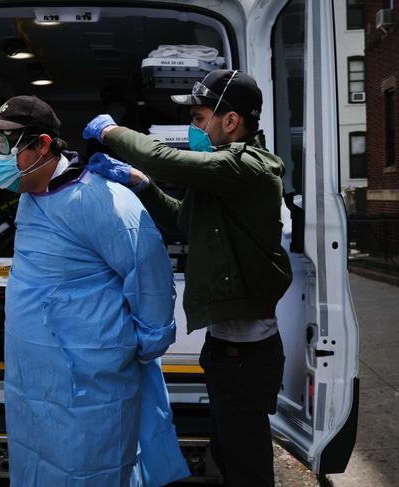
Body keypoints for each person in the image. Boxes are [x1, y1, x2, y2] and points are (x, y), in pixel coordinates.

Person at [83, 69, 292, 487]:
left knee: (247, 462)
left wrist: (113, 132)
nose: (193, 128)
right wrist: (141, 185)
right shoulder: (222, 175)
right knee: (229, 452)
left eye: (198, 118)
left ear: (230, 121)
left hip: (245, 355)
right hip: (227, 346)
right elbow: (182, 222)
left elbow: (165, 159)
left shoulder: (246, 167)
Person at [0, 95, 189, 486]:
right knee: (36, 465)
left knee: (88, 471)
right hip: (32, 382)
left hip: (90, 387)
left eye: (5, 146)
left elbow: (149, 276)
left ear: (42, 145)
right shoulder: (30, 198)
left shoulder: (101, 200)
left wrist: (146, 343)